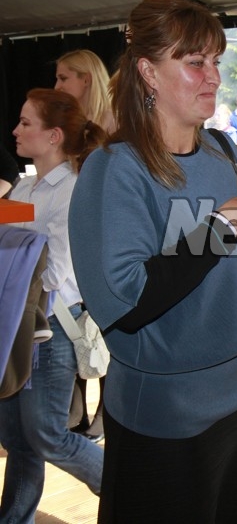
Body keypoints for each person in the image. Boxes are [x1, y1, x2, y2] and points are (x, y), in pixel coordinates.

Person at [67, 0, 237, 523]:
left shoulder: (223, 151)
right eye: (195, 63)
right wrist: (220, 228)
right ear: (148, 73)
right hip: (164, 415)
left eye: (216, 62)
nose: (214, 77)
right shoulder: (114, 169)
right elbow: (125, 302)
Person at [0, 88, 105, 523]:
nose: (15, 130)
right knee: (17, 438)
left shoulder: (72, 191)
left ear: (54, 135)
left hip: (54, 325)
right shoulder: (27, 187)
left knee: (46, 435)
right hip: (19, 325)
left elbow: (56, 273)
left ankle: (128, 488)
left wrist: (15, 259)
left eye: (26, 123)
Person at [55, 48, 115, 443]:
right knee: (73, 323)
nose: (57, 85)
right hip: (72, 238)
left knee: (103, 329)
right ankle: (74, 411)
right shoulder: (65, 125)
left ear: (86, 79)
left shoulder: (113, 124)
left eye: (64, 77)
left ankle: (107, 412)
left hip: (105, 239)